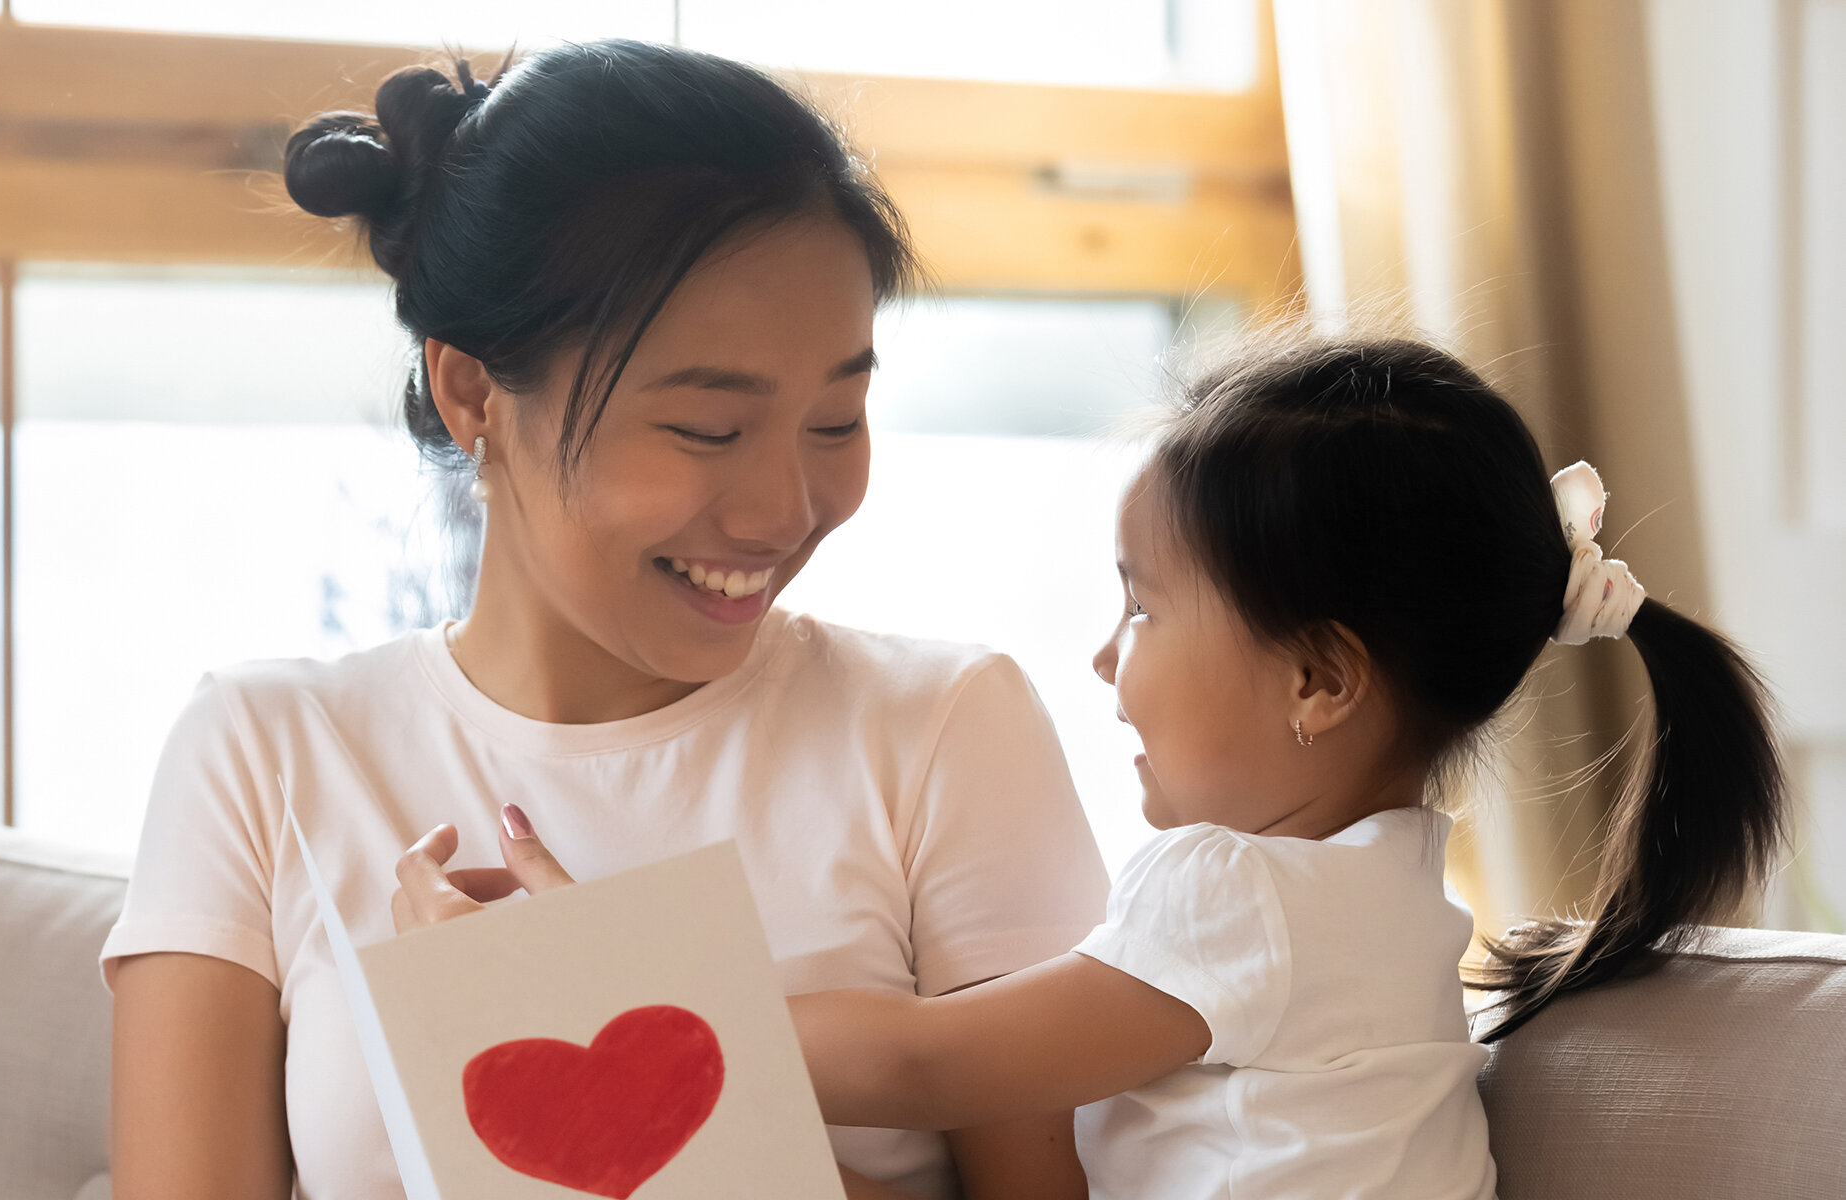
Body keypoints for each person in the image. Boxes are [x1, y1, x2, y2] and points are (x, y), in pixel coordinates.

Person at [409, 338, 1786, 1198]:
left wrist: (614, 977)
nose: (1102, 663)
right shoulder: (1388, 897)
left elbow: (931, 1061)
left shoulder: (1234, 896)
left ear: (1318, 679)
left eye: (1141, 607)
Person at [104, 40, 1109, 1200]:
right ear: (472, 391)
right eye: (706, 431)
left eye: (836, 421)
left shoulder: (940, 732)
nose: (786, 509)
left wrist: (603, 1047)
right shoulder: (264, 753)